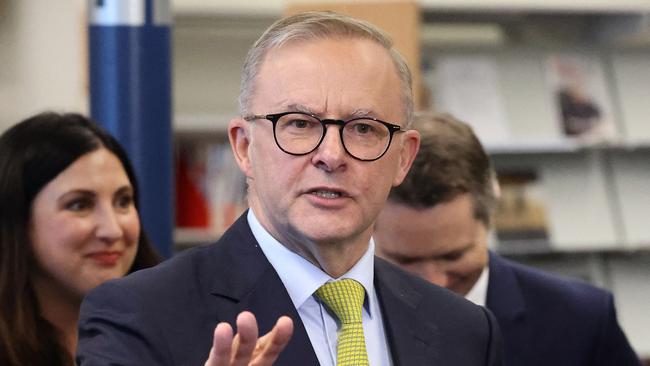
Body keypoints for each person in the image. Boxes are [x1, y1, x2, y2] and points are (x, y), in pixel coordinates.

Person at [77, 11, 503, 366]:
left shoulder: (466, 332)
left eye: (364, 128)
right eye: (299, 124)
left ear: (404, 158)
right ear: (244, 148)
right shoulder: (138, 315)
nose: (331, 154)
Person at [373, 112, 642, 366]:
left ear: (490, 216)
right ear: (366, 229)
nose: (434, 281)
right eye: (405, 260)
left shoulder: (583, 321)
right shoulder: (340, 321)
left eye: (453, 256)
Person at [0, 112, 160, 366]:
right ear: (18, 220)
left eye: (123, 201)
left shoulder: (182, 331)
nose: (113, 230)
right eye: (79, 204)